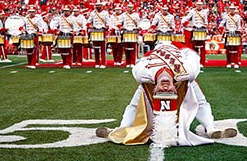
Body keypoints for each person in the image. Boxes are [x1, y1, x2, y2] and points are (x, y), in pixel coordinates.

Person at [95, 42, 237, 147]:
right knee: (134, 104)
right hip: (174, 61)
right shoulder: (187, 72)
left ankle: (211, 129)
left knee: (200, 101)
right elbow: (193, 57)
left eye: (162, 91)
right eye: (168, 91)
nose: (165, 88)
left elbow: (192, 55)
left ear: (155, 89)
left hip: (174, 50)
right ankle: (121, 129)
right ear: (174, 88)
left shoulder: (143, 74)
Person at [181, 0, 210, 66]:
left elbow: (206, 21)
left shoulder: (204, 12)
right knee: (194, 47)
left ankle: (202, 62)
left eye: (200, 5)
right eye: (198, 5)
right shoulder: (192, 12)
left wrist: (205, 26)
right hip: (194, 30)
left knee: (202, 47)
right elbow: (186, 19)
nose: (199, 6)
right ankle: (195, 62)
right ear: (196, 5)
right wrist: (187, 24)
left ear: (202, 5)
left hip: (202, 30)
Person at [220, 4, 243, 68]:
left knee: (236, 49)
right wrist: (223, 29)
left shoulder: (238, 17)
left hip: (235, 33)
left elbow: (239, 26)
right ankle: (228, 62)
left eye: (233, 9)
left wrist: (239, 30)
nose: (232, 10)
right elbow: (221, 24)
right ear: (229, 10)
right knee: (228, 49)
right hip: (228, 33)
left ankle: (236, 62)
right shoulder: (226, 16)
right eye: (231, 9)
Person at [88, 1, 109, 68]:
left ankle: (103, 63)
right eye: (97, 5)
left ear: (102, 6)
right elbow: (89, 21)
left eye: (99, 5)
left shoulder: (105, 13)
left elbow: (108, 22)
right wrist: (90, 26)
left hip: (102, 31)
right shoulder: (93, 13)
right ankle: (97, 63)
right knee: (96, 48)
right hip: (95, 31)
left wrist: (106, 27)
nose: (98, 6)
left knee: (103, 48)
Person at [120, 2, 140, 68]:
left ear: (133, 8)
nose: (130, 8)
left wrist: (139, 27)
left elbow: (139, 23)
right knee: (126, 48)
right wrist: (121, 27)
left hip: (133, 32)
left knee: (133, 48)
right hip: (126, 32)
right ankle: (127, 62)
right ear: (126, 8)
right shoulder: (123, 15)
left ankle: (132, 62)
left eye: (131, 7)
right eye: (129, 7)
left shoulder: (136, 15)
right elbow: (119, 23)